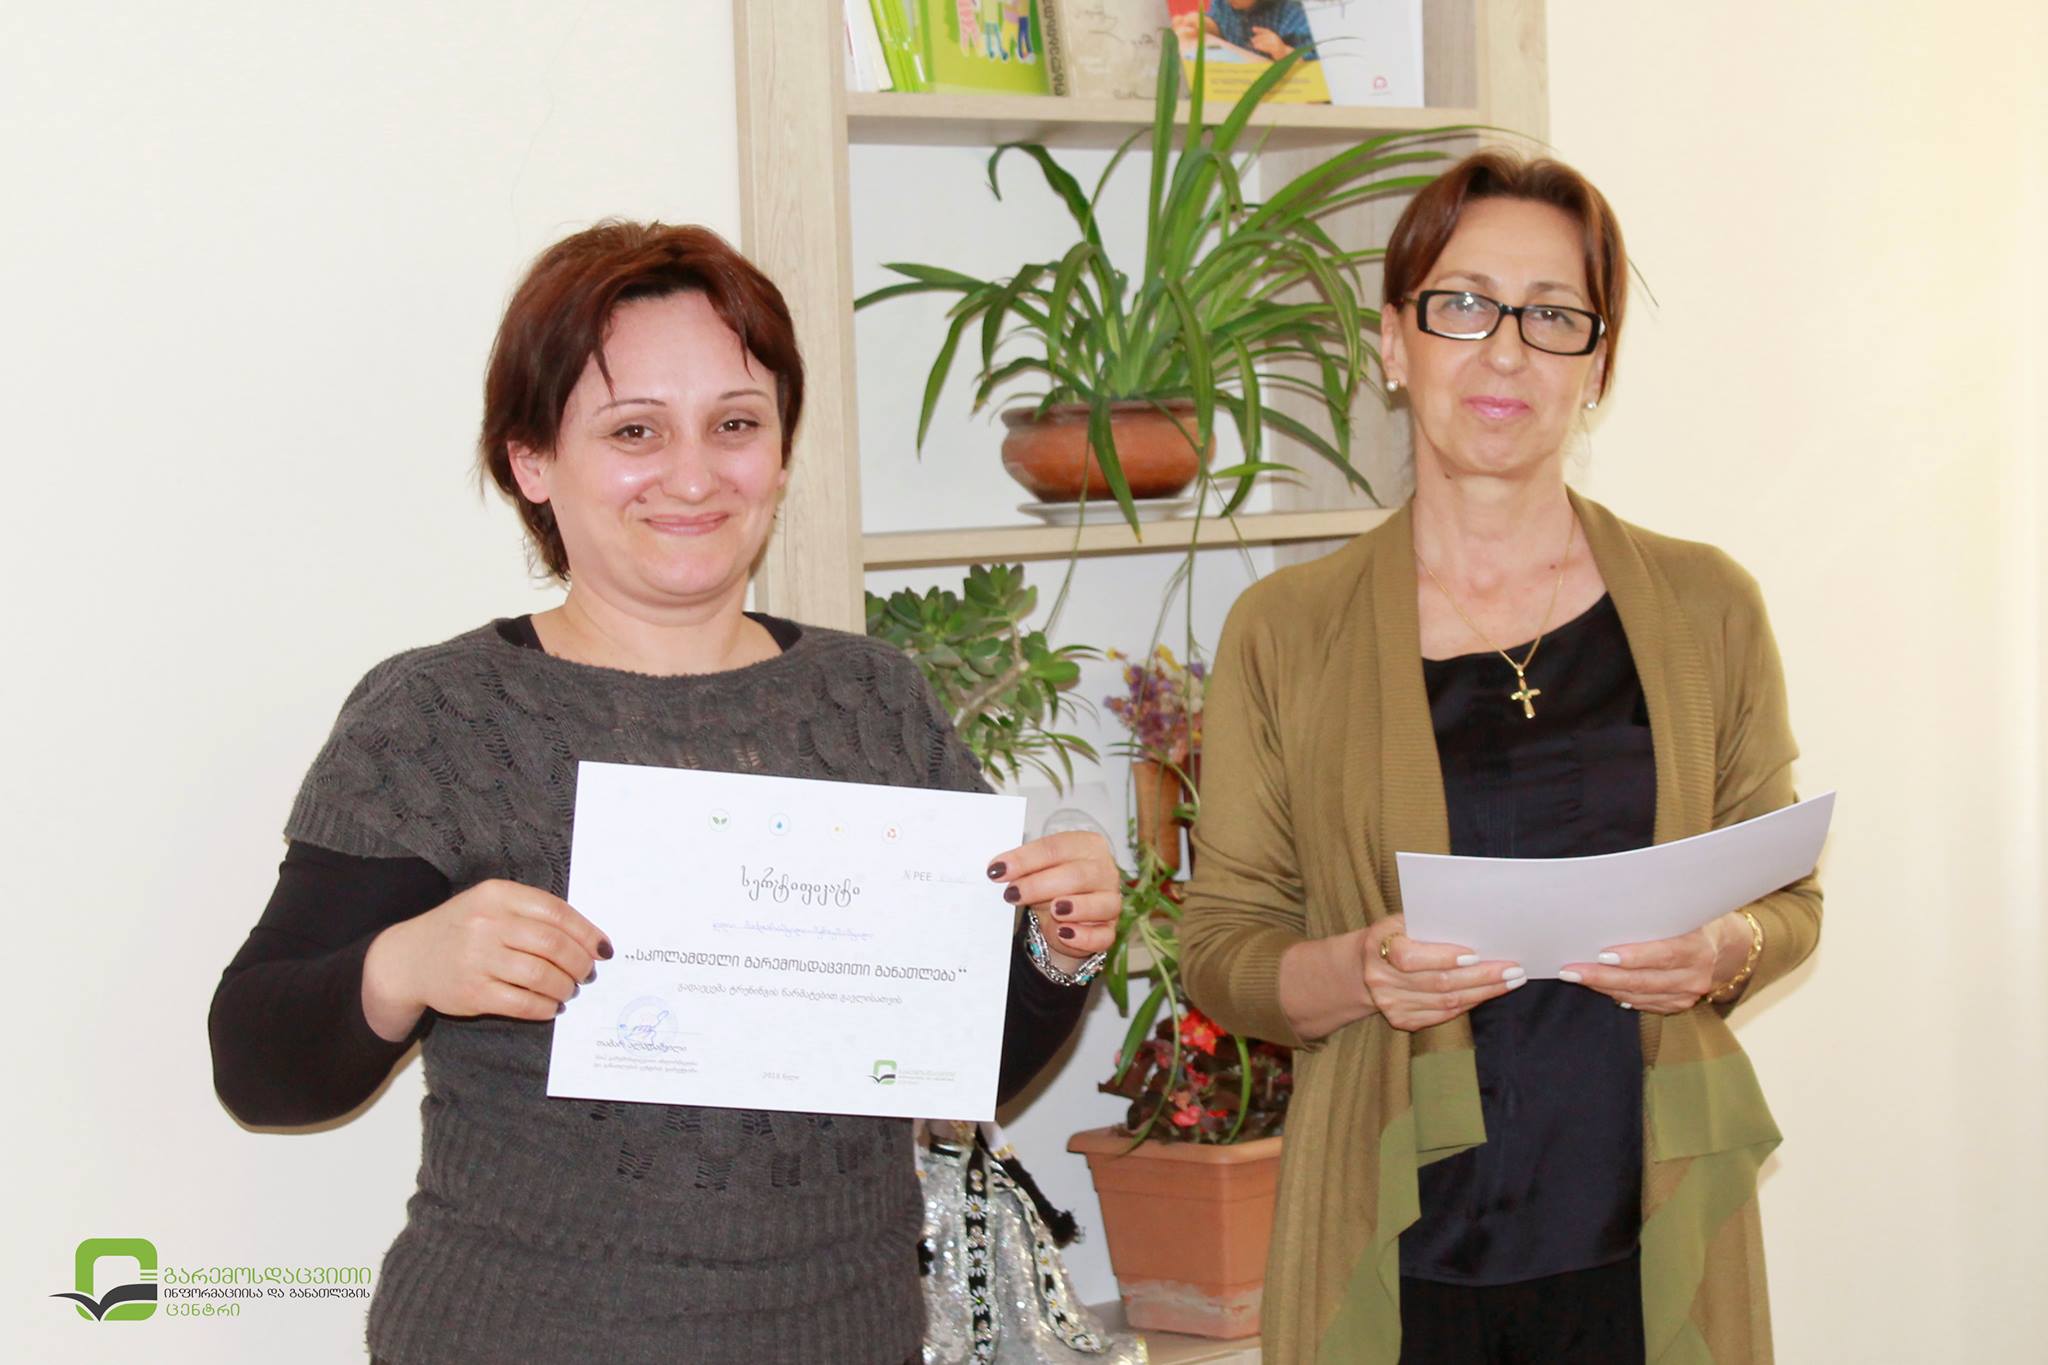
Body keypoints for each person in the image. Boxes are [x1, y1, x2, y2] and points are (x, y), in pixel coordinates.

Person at [207, 222, 1122, 1365]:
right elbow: (259, 1069)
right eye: (634, 430)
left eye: (734, 425)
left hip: (847, 1337)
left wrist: (1055, 946)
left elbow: (957, 1066)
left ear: (779, 453)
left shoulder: (872, 700)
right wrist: (406, 965)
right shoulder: (439, 714)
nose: (693, 475)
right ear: (531, 462)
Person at [1180, 151, 1820, 1364]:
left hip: (1647, 1236)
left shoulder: (1705, 605)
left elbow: (1786, 901)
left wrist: (1720, 949)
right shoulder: (1287, 629)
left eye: (1552, 315)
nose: (1506, 351)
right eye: (1462, 305)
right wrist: (1358, 971)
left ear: (1597, 366)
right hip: (1393, 1242)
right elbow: (1220, 948)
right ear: (1392, 341)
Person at [1172, 0, 1320, 64]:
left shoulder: (1293, 12)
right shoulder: (1226, 3)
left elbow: (1316, 66)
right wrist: (1203, 25)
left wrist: (1283, 51)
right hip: (1236, 79)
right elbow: (1220, 24)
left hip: (1281, 89)